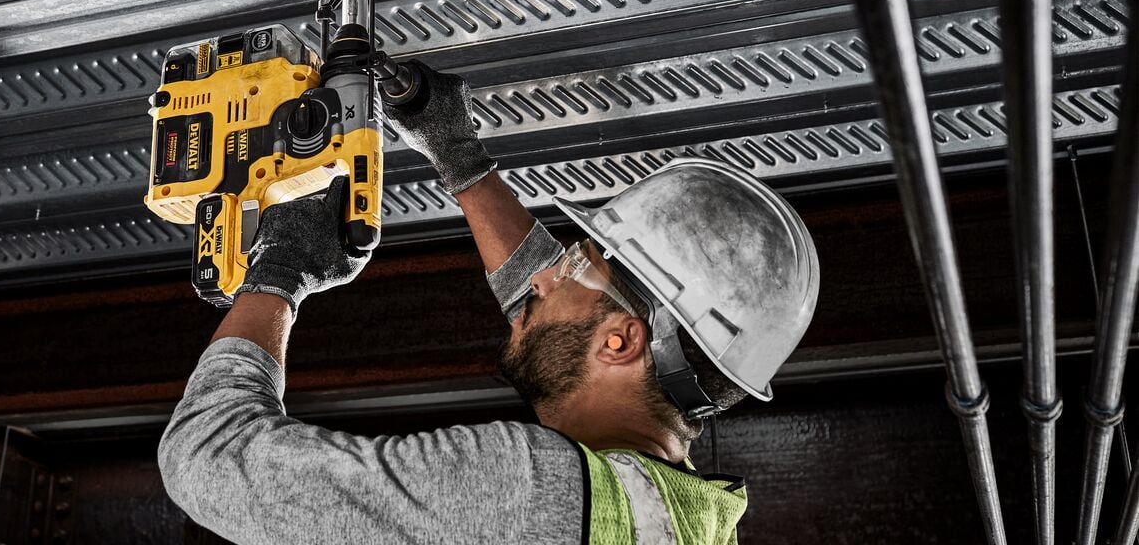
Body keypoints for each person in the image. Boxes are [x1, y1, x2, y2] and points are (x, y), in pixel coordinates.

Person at [159, 62, 820, 544]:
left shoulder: (524, 493)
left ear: (622, 341)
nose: (538, 280)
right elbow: (561, 328)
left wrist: (280, 271)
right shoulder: (692, 523)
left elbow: (209, 459)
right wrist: (459, 157)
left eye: (569, 267)